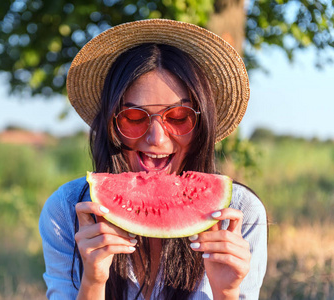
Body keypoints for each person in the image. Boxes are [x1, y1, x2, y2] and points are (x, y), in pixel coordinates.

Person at [39, 19, 267, 299]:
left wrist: (227, 291)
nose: (157, 138)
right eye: (134, 118)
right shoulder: (65, 211)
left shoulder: (241, 214)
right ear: (111, 124)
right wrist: (94, 281)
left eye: (179, 117)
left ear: (202, 124)